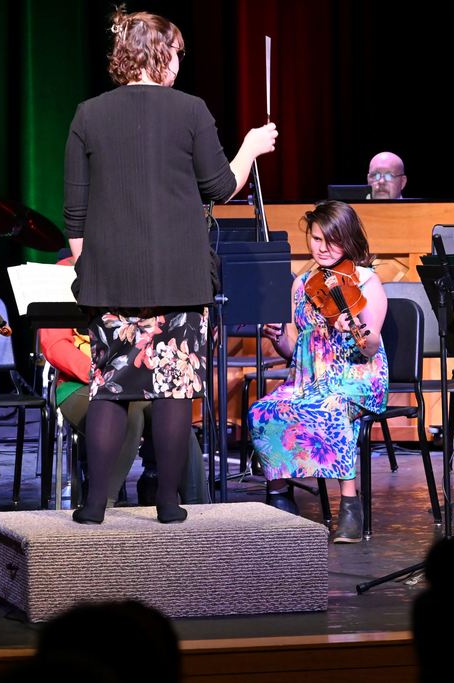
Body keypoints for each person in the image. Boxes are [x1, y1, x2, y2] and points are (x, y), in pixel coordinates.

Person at [63, 7, 277, 524]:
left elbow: (74, 210)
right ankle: (168, 503)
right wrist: (249, 148)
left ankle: (94, 506)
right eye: (176, 54)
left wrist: (83, 267)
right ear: (158, 54)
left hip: (110, 278)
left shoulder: (88, 114)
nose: (180, 64)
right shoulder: (190, 110)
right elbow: (221, 188)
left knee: (110, 386)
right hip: (179, 276)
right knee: (174, 388)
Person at [248, 201, 389, 543]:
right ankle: (280, 497)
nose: (323, 248)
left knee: (331, 407)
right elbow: (294, 349)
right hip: (308, 378)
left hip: (357, 378)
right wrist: (279, 335)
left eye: (332, 240)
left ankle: (350, 507)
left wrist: (352, 327)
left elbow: (369, 348)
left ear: (349, 240)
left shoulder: (367, 282)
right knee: (263, 410)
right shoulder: (302, 285)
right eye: (315, 239)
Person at [39, 258, 202, 508]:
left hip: (140, 379)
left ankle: (199, 506)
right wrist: (100, 374)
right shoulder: (63, 270)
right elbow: (54, 345)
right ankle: (103, 503)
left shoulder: (134, 265)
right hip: (80, 383)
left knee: (175, 414)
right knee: (130, 414)